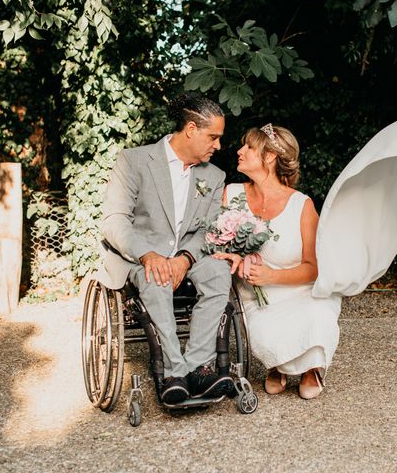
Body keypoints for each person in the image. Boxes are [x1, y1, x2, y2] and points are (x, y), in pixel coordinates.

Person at [97, 93, 235, 404]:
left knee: (217, 272)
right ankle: (174, 373)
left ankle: (199, 367)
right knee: (156, 277)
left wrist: (185, 259)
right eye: (213, 137)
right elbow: (115, 221)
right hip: (140, 255)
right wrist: (148, 254)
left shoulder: (213, 176)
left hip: (188, 254)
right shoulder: (133, 161)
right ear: (190, 129)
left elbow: (208, 229)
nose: (218, 146)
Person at [213, 124, 341, 399]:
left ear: (269, 156)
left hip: (301, 291)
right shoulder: (231, 193)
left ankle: (310, 369)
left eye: (248, 146)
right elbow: (216, 242)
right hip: (257, 298)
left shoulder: (302, 206)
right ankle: (279, 364)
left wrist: (271, 276)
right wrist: (232, 254)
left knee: (317, 315)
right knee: (267, 331)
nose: (239, 150)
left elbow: (314, 269)